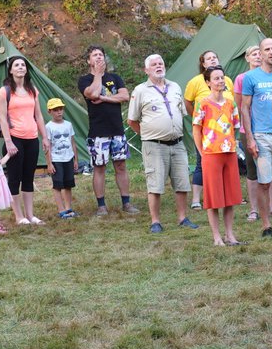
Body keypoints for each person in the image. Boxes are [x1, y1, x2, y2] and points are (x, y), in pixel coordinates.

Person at [128, 54, 197, 234]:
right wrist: (148, 135)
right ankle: (155, 221)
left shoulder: (174, 87)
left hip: (177, 143)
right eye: (154, 64)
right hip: (154, 145)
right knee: (155, 184)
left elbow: (181, 113)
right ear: (146, 70)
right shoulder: (140, 90)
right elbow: (132, 121)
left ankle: (182, 218)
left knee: (182, 182)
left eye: (161, 63)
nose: (158, 66)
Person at [77, 46, 139, 217]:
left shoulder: (115, 78)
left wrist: (104, 98)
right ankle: (101, 206)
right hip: (98, 132)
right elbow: (92, 93)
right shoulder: (85, 80)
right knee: (99, 168)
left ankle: (126, 202)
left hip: (117, 130)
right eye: (94, 55)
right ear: (88, 61)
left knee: (121, 166)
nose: (98, 57)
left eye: (101, 55)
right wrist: (97, 75)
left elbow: (125, 96)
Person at [242, 37, 272, 237]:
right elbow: (244, 108)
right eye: (267, 49)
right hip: (261, 135)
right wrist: (250, 138)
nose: (271, 52)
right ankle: (266, 224)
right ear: (260, 54)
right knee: (264, 182)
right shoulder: (251, 77)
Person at [193, 65, 244, 246]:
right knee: (213, 197)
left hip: (229, 153)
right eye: (216, 78)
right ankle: (216, 237)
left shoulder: (231, 103)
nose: (220, 81)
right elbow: (196, 129)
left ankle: (230, 235)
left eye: (222, 77)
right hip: (211, 154)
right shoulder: (203, 104)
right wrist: (202, 152)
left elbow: (236, 126)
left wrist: (234, 143)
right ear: (208, 82)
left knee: (230, 196)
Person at [0, 55, 49, 226]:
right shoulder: (4, 91)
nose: (20, 67)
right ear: (10, 70)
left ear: (26, 69)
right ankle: (19, 216)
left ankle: (30, 215)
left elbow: (39, 115)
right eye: (17, 65)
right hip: (15, 138)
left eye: (23, 65)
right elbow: (3, 118)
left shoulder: (32, 90)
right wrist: (9, 141)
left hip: (32, 138)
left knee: (28, 177)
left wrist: (45, 137)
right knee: (14, 178)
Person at [183, 50, 234, 211]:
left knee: (226, 167)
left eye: (215, 57)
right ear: (203, 64)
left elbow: (231, 101)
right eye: (208, 58)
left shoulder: (227, 80)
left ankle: (224, 196)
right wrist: (200, 120)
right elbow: (188, 102)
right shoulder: (195, 82)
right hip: (207, 132)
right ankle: (197, 198)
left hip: (226, 133)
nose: (212, 60)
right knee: (201, 163)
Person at [233, 45, 267, 221]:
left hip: (269, 128)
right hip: (249, 130)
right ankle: (254, 209)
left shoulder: (270, 75)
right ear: (247, 58)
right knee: (252, 170)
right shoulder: (241, 78)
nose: (258, 56)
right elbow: (240, 105)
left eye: (259, 53)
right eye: (254, 54)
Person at [45, 98, 79, 219]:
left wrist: (75, 160)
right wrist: (49, 163)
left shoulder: (68, 124)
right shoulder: (48, 127)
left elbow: (73, 143)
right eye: (55, 110)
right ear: (50, 111)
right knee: (58, 185)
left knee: (68, 184)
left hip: (68, 158)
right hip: (56, 159)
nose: (59, 112)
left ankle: (68, 208)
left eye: (61, 109)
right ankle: (61, 210)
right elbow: (47, 146)